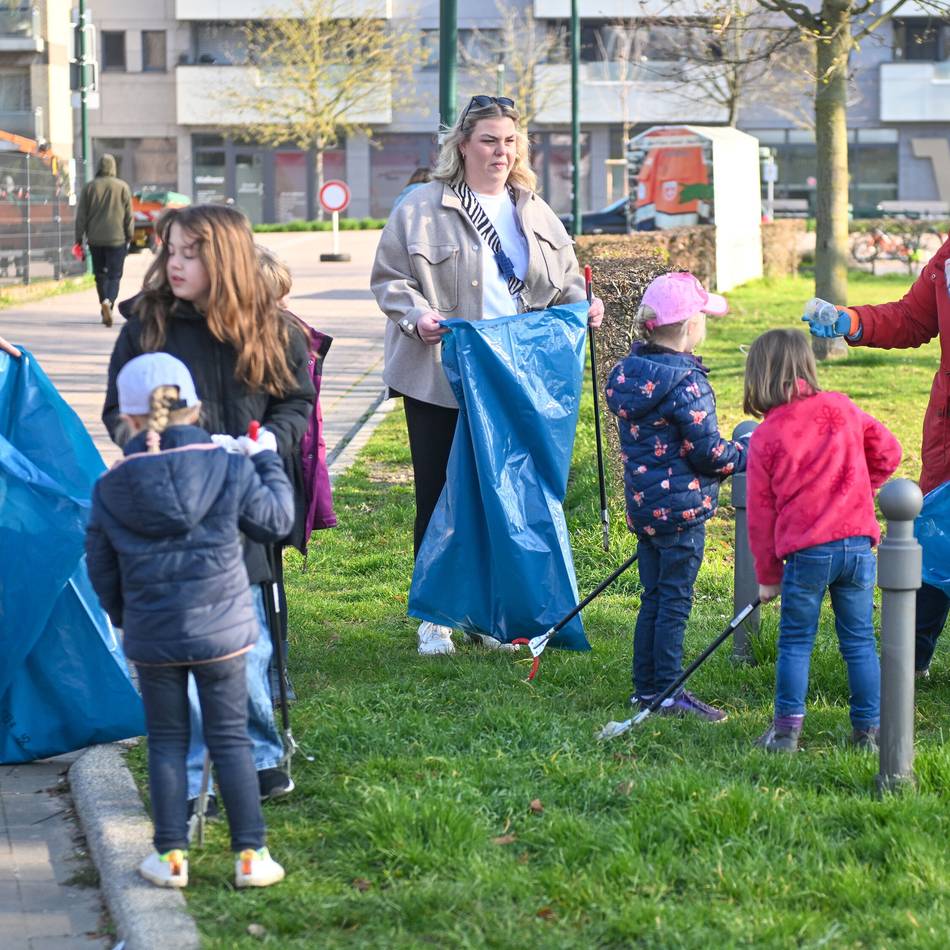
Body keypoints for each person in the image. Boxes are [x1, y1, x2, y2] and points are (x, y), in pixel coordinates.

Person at [371, 94, 604, 657]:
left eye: (509, 141)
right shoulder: (421, 207)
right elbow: (390, 279)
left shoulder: (537, 210)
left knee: (505, 494)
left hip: (513, 380)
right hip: (440, 375)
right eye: (488, 140)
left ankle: (490, 614)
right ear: (463, 145)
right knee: (442, 492)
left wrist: (585, 305)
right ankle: (437, 618)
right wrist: (416, 316)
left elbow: (566, 280)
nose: (500, 152)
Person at [101, 204, 315, 809]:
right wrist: (146, 443)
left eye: (190, 252)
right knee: (184, 639)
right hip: (168, 501)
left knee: (245, 640)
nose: (175, 263)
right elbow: (118, 409)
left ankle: (262, 754)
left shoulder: (274, 329)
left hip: (243, 499)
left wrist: (267, 442)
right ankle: (204, 765)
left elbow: (295, 402)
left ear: (223, 256)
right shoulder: (146, 327)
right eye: (170, 250)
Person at [85, 352, 292, 888]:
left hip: (153, 637)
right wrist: (265, 458)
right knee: (231, 740)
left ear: (127, 420)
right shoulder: (229, 466)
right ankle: (251, 857)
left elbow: (102, 569)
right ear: (196, 408)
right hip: (224, 631)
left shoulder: (111, 487)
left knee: (168, 741)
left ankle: (170, 857)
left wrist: (129, 620)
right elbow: (276, 521)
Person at [743, 328, 902, 752]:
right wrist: (861, 491)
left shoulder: (765, 437)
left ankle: (785, 732)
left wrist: (768, 577)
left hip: (807, 552)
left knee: (796, 641)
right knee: (859, 640)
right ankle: (869, 732)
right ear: (806, 366)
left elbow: (761, 514)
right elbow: (889, 451)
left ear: (758, 377)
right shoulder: (842, 407)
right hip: (857, 547)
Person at [802, 241, 950, 679]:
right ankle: (909, 662)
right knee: (932, 539)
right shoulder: (947, 258)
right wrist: (853, 321)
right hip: (948, 430)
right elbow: (913, 318)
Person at [604, 271, 746, 721]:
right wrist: (746, 454)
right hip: (682, 513)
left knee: (654, 596)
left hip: (645, 507)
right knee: (676, 601)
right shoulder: (686, 382)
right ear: (688, 327)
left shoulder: (632, 373)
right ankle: (667, 692)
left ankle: (645, 688)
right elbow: (710, 454)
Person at [75, 154, 133, 328]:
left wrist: (79, 238)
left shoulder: (89, 187)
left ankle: (103, 303)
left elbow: (81, 216)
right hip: (117, 239)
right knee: (115, 275)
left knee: (100, 274)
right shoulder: (123, 187)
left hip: (95, 239)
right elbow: (129, 215)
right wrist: (129, 235)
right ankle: (109, 301)